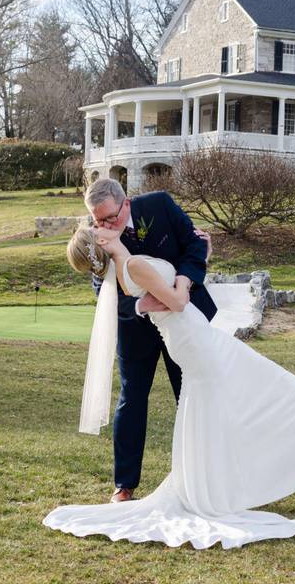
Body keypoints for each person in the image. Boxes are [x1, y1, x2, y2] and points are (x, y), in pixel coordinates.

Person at [45, 226, 295, 548]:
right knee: (260, 379)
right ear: (101, 240)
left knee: (234, 391)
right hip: (193, 339)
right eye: (97, 227)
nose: (104, 224)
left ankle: (207, 484)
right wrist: (183, 284)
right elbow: (175, 301)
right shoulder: (132, 265)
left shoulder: (123, 266)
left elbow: (160, 294)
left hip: (190, 338)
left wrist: (201, 257)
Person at [84, 178, 216, 504]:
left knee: (191, 394)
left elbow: (194, 244)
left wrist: (183, 285)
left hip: (182, 321)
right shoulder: (96, 236)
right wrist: (144, 305)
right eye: (97, 220)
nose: (104, 226)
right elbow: (103, 289)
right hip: (135, 328)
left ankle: (203, 477)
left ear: (126, 203)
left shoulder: (159, 205)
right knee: (132, 398)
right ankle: (124, 484)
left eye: (110, 219)